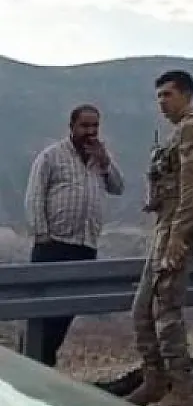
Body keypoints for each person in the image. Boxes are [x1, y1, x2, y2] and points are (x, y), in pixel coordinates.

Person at [126, 70, 193, 406]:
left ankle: (183, 388)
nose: (162, 103)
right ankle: (155, 379)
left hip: (178, 227)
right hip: (166, 224)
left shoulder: (191, 128)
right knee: (142, 308)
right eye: (159, 96)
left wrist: (178, 237)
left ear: (186, 95)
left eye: (168, 95)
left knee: (166, 306)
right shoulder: (178, 133)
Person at [22, 104, 124, 367]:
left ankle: (43, 364)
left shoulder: (99, 160)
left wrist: (105, 162)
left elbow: (118, 187)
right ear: (72, 127)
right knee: (42, 312)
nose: (90, 132)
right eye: (85, 126)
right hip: (54, 244)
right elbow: (34, 196)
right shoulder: (51, 157)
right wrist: (41, 234)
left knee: (66, 311)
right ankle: (32, 363)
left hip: (84, 245)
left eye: (95, 126)